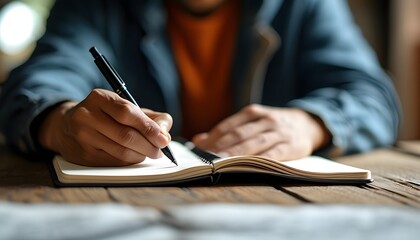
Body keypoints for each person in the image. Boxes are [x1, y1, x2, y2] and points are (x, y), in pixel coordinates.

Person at [0, 0, 401, 167]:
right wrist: (60, 121)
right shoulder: (95, 5)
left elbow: (372, 95)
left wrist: (310, 123)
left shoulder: (305, 5)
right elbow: (38, 82)